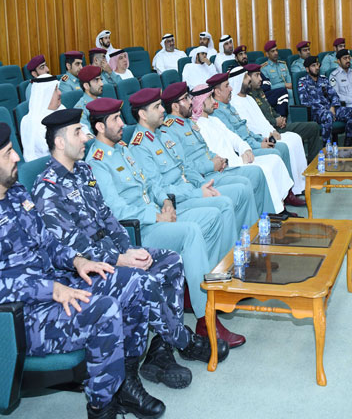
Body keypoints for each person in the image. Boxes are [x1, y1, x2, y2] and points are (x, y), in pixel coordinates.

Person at [0, 123, 164, 419]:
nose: (17, 158)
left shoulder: (16, 193)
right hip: (21, 316)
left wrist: (77, 261)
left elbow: (48, 242)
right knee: (105, 311)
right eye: (9, 153)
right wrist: (50, 290)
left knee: (134, 282)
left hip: (57, 285)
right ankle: (102, 406)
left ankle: (124, 382)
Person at [32, 109, 227, 389]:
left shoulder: (83, 170)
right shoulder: (47, 187)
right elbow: (72, 245)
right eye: (78, 132)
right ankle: (182, 340)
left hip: (113, 252)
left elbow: (107, 216)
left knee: (170, 261)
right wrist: (119, 259)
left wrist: (128, 249)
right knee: (141, 278)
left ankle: (160, 352)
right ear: (60, 142)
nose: (85, 137)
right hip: (83, 271)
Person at [85, 98, 246, 348]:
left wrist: (166, 202)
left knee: (213, 216)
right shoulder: (97, 162)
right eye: (115, 119)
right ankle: (206, 319)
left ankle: (205, 287)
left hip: (155, 213)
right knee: (191, 232)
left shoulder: (122, 148)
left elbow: (150, 184)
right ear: (99, 127)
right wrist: (157, 216)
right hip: (136, 230)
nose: (122, 123)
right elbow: (116, 210)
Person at [126, 88, 253, 239]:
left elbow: (184, 167)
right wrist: (198, 193)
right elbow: (158, 188)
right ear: (143, 114)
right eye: (157, 107)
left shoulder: (162, 134)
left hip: (191, 188)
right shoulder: (139, 147)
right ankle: (234, 250)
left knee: (230, 198)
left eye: (161, 105)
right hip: (176, 201)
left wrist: (202, 185)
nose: (162, 110)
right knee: (223, 206)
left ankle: (245, 242)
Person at [160, 81, 275, 215]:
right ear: (175, 106)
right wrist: (212, 165)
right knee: (242, 187)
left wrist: (219, 159)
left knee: (255, 174)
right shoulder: (169, 131)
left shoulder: (188, 122)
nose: (190, 101)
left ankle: (266, 218)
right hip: (203, 177)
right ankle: (254, 224)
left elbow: (205, 149)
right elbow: (184, 166)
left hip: (214, 171)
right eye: (185, 98)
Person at [191, 84, 293, 214]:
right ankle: (273, 212)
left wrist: (246, 150)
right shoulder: (198, 127)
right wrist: (240, 161)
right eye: (210, 98)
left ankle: (279, 206)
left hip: (238, 160)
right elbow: (216, 157)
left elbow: (235, 139)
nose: (213, 101)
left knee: (274, 159)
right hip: (227, 167)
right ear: (200, 102)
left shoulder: (214, 120)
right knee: (262, 170)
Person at [209, 73, 306, 206]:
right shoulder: (217, 112)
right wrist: (258, 145)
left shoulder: (228, 106)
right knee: (277, 151)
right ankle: (283, 197)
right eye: (227, 86)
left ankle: (287, 193)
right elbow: (235, 138)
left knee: (281, 146)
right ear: (218, 92)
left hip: (251, 143)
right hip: (242, 151)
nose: (231, 88)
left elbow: (245, 129)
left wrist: (261, 139)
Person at [230, 65, 311, 180]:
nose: (249, 79)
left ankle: (300, 181)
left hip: (269, 133)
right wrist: (268, 134)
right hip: (261, 138)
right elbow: (249, 127)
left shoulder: (249, 98)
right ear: (238, 81)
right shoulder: (234, 102)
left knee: (295, 138)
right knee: (285, 146)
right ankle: (291, 184)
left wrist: (273, 130)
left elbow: (262, 119)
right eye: (246, 77)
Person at [238, 63, 323, 161]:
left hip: (278, 127)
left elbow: (270, 109)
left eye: (260, 75)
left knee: (313, 127)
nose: (260, 79)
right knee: (311, 128)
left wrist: (280, 118)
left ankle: (313, 161)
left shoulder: (259, 90)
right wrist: (275, 122)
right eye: (256, 75)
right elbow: (258, 121)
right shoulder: (248, 96)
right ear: (248, 77)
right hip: (270, 132)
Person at [298, 56, 352, 145]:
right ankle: (327, 146)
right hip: (316, 113)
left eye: (317, 65)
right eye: (313, 66)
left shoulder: (324, 79)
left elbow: (334, 95)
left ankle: (348, 143)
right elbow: (305, 102)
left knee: (351, 111)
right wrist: (326, 110)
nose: (317, 68)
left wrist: (333, 107)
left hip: (330, 109)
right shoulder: (303, 82)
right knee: (328, 116)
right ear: (307, 69)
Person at [20, 75, 63, 161]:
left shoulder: (61, 108)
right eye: (55, 90)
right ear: (45, 94)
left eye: (58, 89)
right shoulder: (31, 122)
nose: (60, 93)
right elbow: (47, 152)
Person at [74, 65, 104, 134]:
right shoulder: (80, 109)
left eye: (101, 79)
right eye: (96, 80)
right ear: (86, 86)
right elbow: (88, 136)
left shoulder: (103, 101)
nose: (101, 84)